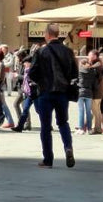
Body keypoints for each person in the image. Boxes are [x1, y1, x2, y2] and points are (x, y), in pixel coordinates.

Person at [29, 22, 78, 168]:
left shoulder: (41, 52)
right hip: (62, 93)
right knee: (63, 122)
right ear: (58, 34)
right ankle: (68, 147)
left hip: (46, 93)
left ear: (47, 34)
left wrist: (41, 82)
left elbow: (32, 73)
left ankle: (48, 159)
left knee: (45, 126)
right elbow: (75, 73)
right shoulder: (68, 52)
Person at [10, 58, 37, 133]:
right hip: (27, 93)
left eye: (25, 63)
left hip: (35, 93)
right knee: (25, 109)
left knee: (39, 110)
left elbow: (39, 80)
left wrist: (33, 83)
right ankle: (20, 127)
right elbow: (25, 81)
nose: (24, 64)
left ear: (30, 63)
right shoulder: (26, 70)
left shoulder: (34, 70)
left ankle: (47, 125)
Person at [76, 52, 98, 135]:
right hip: (89, 93)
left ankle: (81, 128)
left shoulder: (79, 72)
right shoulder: (93, 72)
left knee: (81, 111)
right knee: (88, 111)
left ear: (81, 64)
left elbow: (75, 81)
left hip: (80, 92)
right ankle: (89, 129)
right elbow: (95, 84)